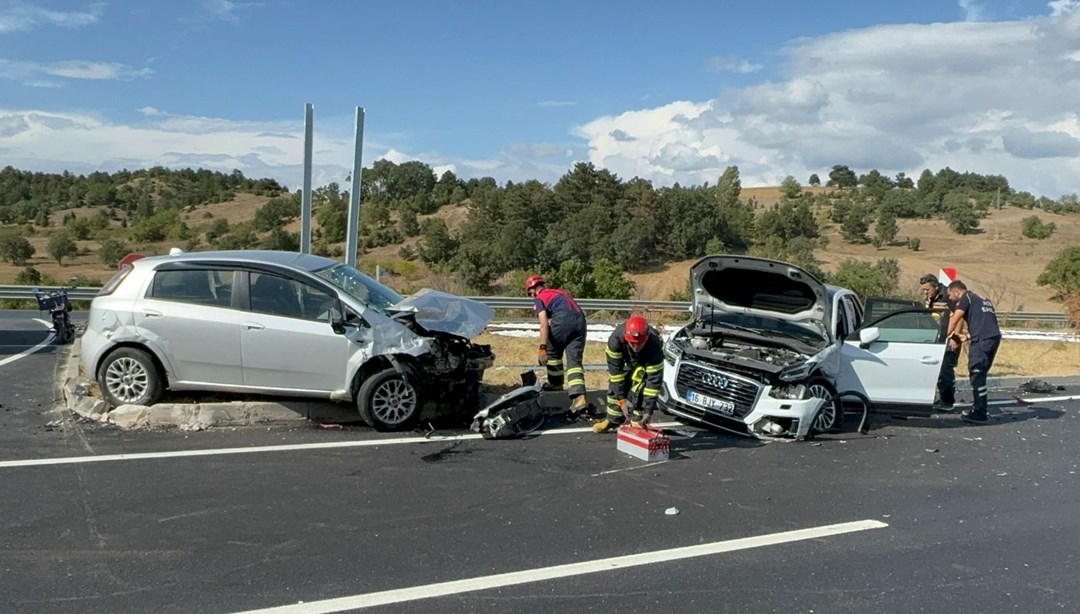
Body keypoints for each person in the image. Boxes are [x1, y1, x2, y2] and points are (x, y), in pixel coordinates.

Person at [525, 274, 589, 413]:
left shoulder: (539, 299)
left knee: (552, 349)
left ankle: (556, 383)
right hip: (580, 322)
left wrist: (542, 348)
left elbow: (544, 324)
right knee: (574, 362)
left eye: (529, 294)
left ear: (532, 290)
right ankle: (579, 397)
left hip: (564, 320)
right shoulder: (558, 292)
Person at [593, 314, 665, 433]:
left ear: (646, 338)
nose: (635, 347)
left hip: (645, 360)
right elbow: (616, 374)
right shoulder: (615, 341)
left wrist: (648, 410)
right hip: (626, 359)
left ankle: (638, 421)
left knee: (641, 386)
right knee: (616, 385)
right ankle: (612, 420)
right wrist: (622, 400)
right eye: (632, 343)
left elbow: (653, 382)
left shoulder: (654, 346)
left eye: (639, 343)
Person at [946, 280, 1002, 423]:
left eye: (950, 295)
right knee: (980, 374)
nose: (950, 299)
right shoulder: (982, 299)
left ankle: (980, 413)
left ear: (956, 292)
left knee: (977, 374)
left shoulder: (966, 298)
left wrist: (940, 337)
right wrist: (968, 336)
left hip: (982, 341)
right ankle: (979, 407)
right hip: (993, 338)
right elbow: (985, 322)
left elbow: (954, 320)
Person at [919, 273, 958, 409]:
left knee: (945, 370)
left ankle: (947, 401)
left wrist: (955, 337)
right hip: (934, 336)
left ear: (936, 286)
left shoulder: (948, 296)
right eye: (923, 290)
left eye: (927, 289)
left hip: (949, 337)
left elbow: (959, 316)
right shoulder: (930, 297)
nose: (925, 292)